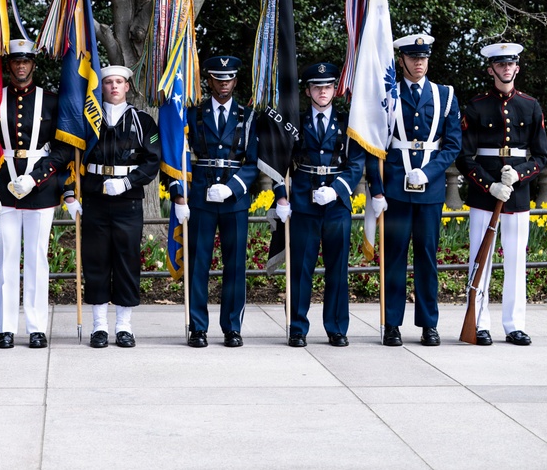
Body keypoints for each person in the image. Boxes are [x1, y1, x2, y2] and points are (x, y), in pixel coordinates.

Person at [366, 34, 461, 347]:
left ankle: (428, 325)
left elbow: (452, 145)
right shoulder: (387, 96)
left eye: (424, 57)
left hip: (430, 190)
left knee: (427, 258)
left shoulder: (445, 95)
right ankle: (391, 324)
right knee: (393, 258)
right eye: (413, 57)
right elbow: (375, 145)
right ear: (402, 60)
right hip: (396, 188)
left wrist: (430, 171)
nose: (419, 62)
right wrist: (377, 190)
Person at [0, 39, 71, 350]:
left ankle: (36, 327)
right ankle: (5, 328)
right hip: (3, 186)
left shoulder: (52, 101)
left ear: (34, 64)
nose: (21, 66)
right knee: (5, 260)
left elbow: (63, 148)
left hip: (40, 190)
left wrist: (35, 178)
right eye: (16, 61)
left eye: (27, 61)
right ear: (8, 65)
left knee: (36, 259)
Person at [456, 42, 547, 346]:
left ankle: (514, 325)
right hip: (485, 196)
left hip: (518, 195)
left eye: (511, 64)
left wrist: (519, 174)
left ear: (517, 68)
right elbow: (465, 157)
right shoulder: (476, 106)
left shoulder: (530, 105)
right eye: (501, 64)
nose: (506, 69)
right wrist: (490, 184)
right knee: (480, 259)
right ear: (491, 69)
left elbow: (542, 156)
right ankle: (480, 323)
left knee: (515, 261)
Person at [62, 65, 160, 348]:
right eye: (108, 82)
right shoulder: (87, 119)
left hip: (127, 200)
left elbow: (152, 160)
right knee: (96, 261)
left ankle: (124, 326)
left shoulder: (142, 121)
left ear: (127, 86)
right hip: (95, 197)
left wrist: (128, 182)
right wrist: (70, 193)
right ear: (100, 87)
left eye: (119, 82)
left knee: (126, 261)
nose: (114, 87)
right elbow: (71, 155)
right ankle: (100, 327)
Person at [167, 55, 258, 348]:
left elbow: (253, 161)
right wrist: (180, 194)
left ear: (235, 81)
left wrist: (233, 187)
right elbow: (179, 154)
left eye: (229, 79)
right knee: (199, 264)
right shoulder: (193, 114)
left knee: (235, 265)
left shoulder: (248, 116)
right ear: (208, 81)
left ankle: (232, 327)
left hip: (234, 200)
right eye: (218, 79)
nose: (224, 85)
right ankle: (198, 327)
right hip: (201, 198)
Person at [274, 63, 365, 348]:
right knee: (301, 268)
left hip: (336, 205)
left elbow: (357, 163)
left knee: (337, 267)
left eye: (327, 87)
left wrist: (338, 190)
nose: (322, 92)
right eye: (317, 87)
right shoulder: (296, 122)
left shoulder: (350, 123)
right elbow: (280, 161)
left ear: (334, 90)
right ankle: (297, 326)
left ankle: (336, 328)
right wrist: (281, 196)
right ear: (308, 90)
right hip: (303, 201)